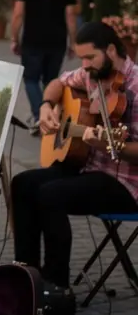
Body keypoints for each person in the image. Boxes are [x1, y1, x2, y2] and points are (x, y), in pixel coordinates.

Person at [12, 20, 138, 291]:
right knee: (21, 183)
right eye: (81, 58)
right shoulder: (91, 74)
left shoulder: (136, 86)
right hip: (86, 167)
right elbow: (58, 83)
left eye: (89, 57)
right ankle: (26, 276)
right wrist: (46, 105)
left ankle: (55, 286)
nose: (84, 65)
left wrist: (109, 145)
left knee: (51, 194)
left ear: (112, 50)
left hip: (125, 183)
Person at [11, 0, 77, 131]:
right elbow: (70, 16)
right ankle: (49, 115)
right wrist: (73, 42)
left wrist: (14, 38)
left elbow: (17, 14)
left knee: (31, 79)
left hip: (32, 40)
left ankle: (38, 116)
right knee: (51, 79)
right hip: (57, 41)